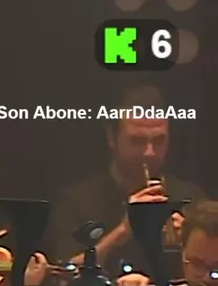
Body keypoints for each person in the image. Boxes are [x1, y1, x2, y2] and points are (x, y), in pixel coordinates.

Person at [47, 84, 206, 271]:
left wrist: (189, 241)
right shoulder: (76, 201)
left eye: (159, 140)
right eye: (137, 141)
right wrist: (124, 230)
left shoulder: (190, 197)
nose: (149, 152)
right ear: (111, 138)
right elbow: (66, 273)